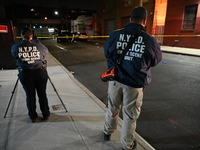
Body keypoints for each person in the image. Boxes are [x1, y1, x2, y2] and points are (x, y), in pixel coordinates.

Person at [103, 6, 162, 150]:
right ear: (145, 21)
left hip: (115, 81)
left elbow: (107, 53)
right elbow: (155, 61)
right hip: (134, 84)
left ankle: (107, 132)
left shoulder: (116, 35)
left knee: (112, 108)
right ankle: (127, 144)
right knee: (130, 116)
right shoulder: (149, 40)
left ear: (130, 19)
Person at [11, 26, 50, 123]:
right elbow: (45, 52)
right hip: (40, 73)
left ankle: (33, 116)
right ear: (31, 36)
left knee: (30, 95)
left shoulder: (16, 47)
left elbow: (15, 56)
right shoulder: (39, 46)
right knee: (42, 94)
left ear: (21, 35)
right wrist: (37, 43)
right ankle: (45, 114)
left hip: (26, 74)